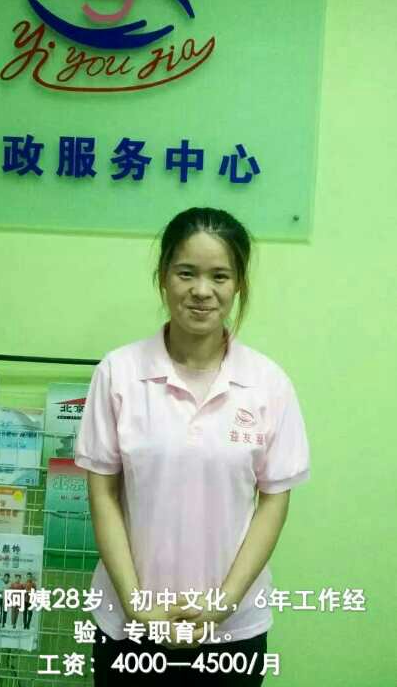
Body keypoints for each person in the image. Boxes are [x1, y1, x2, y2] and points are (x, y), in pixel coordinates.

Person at [74, 207, 310, 686]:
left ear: (239, 284)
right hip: (128, 626)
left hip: (233, 629)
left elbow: (273, 502)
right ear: (163, 277)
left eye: (219, 276)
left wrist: (223, 603)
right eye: (187, 273)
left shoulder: (268, 383)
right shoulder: (118, 373)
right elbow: (103, 494)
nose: (202, 290)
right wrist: (138, 605)